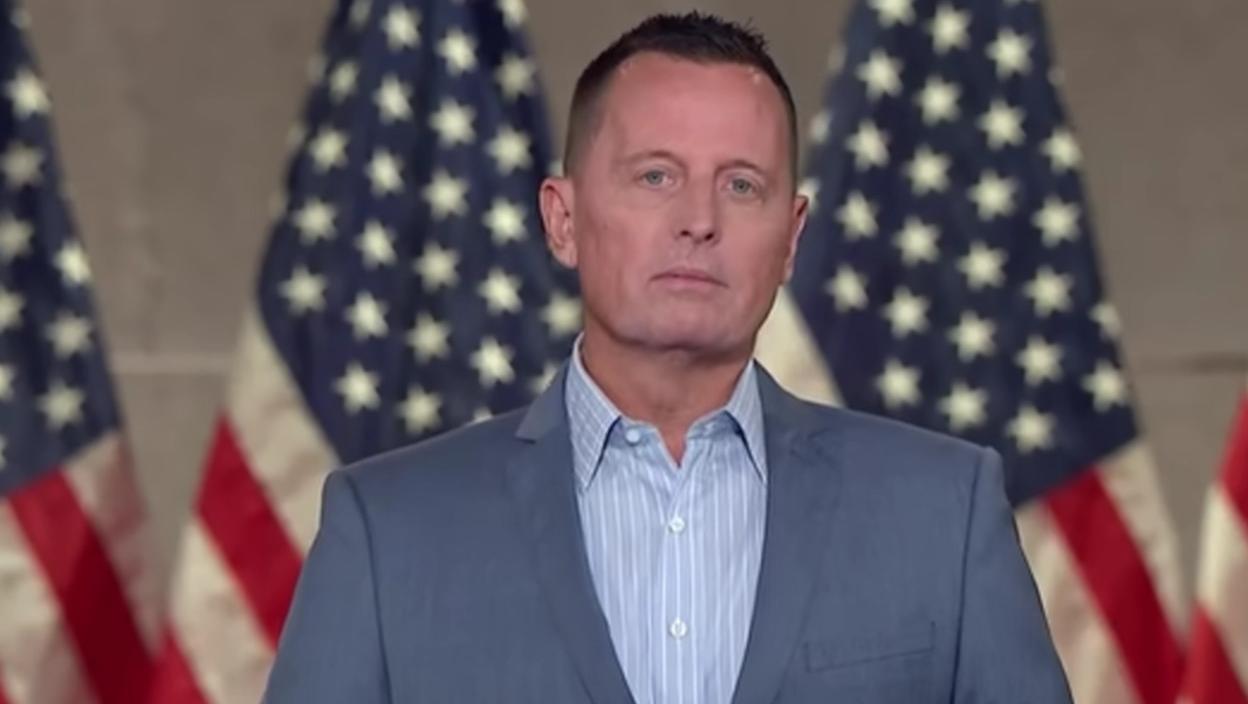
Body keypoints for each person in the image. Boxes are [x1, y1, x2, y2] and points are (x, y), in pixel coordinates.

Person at [263, 12, 1072, 703]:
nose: (699, 219)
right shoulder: (389, 530)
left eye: (742, 185)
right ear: (563, 219)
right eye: (655, 176)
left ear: (792, 238)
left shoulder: (942, 515)